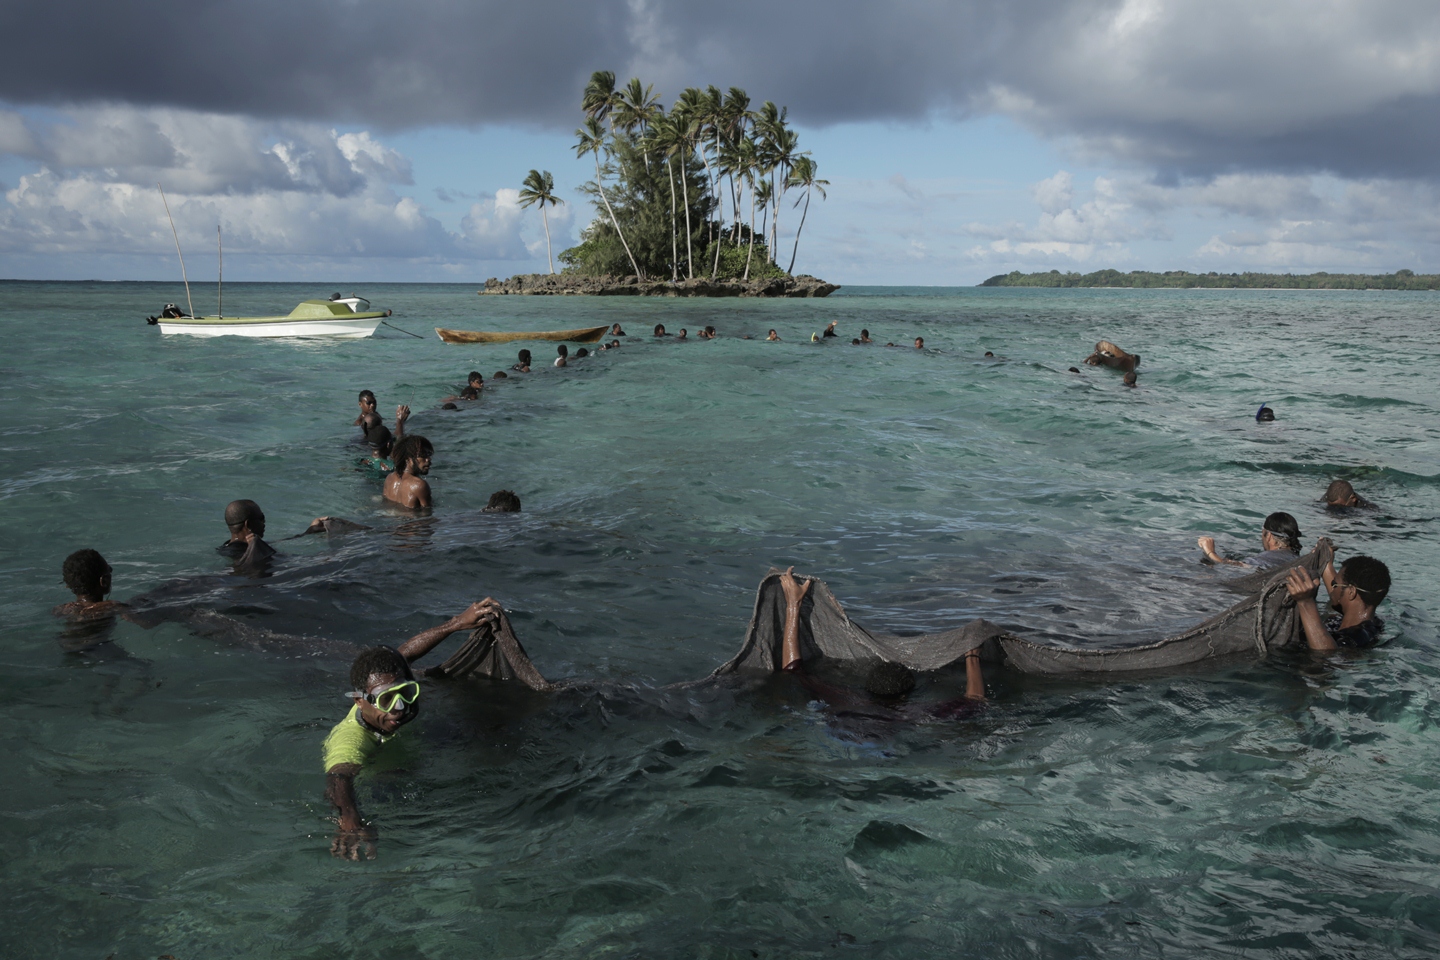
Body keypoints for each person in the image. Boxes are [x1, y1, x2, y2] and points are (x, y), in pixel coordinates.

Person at [324, 599, 502, 859]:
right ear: (360, 702)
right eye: (387, 699)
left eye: (406, 692)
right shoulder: (351, 737)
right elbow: (338, 777)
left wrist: (456, 623)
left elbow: (403, 654)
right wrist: (349, 820)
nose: (400, 707)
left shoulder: (387, 685)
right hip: (382, 776)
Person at [775, 569, 985, 730]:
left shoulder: (843, 697)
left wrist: (793, 604)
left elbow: (793, 669)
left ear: (868, 688)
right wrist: (972, 654)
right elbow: (974, 701)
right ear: (905, 697)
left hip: (838, 732)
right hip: (878, 745)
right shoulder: (912, 713)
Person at [1285, 554, 1391, 651]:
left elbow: (1327, 654)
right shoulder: (1373, 624)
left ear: (1351, 592)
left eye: (1334, 584)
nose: (1332, 589)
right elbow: (1341, 596)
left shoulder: (1359, 635)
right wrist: (1326, 564)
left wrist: (1305, 602)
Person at [1198, 511, 1302, 570]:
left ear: (1268, 535)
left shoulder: (1269, 557)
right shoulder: (1296, 558)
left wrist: (1211, 552)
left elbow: (1241, 567)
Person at [52, 549, 129, 621]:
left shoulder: (60, 610)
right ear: (104, 581)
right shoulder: (112, 607)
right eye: (109, 569)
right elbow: (136, 616)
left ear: (68, 584)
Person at [218, 499, 278, 570]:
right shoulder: (248, 553)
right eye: (261, 518)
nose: (264, 522)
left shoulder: (224, 548)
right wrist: (257, 547)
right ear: (248, 525)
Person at [384, 436, 433, 510]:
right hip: (412, 520)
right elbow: (427, 516)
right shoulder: (419, 485)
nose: (428, 459)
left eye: (428, 454)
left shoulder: (389, 478)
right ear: (408, 459)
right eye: (423, 455)